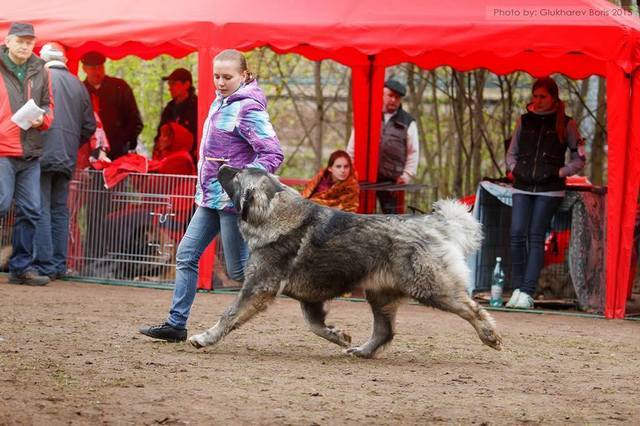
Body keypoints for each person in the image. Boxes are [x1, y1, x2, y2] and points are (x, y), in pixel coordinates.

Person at [139, 48, 284, 342]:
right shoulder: (220, 102)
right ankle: (176, 324)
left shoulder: (248, 108)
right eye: (216, 76)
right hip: (208, 198)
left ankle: (292, 281)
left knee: (238, 270)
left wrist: (240, 178)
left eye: (227, 77)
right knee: (186, 255)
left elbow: (272, 153)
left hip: (232, 202)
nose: (220, 81)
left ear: (244, 76)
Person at [505, 77, 586, 309]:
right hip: (522, 185)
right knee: (516, 234)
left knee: (536, 235)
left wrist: (562, 172)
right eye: (535, 96)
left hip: (549, 190)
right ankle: (518, 289)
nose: (538, 101)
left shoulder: (567, 123)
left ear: (553, 98)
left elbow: (579, 156)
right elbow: (512, 152)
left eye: (543, 96)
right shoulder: (524, 121)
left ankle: (528, 293)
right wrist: (514, 168)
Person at [32, 42, 97, 280]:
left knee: (40, 208)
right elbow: (89, 126)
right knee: (60, 210)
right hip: (66, 157)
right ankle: (59, 266)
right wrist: (70, 144)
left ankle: (44, 265)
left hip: (40, 152)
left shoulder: (39, 77)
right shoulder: (78, 85)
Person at [0, 22, 54, 286]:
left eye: (29, 42)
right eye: (19, 41)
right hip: (2, 149)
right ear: (7, 41)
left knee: (32, 209)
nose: (24, 46)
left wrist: (42, 120)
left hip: (30, 152)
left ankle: (20, 267)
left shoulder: (41, 71)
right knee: (1, 203)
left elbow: (48, 106)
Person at [347, 78, 419, 213]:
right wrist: (349, 167)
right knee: (362, 215)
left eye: (397, 97)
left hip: (392, 180)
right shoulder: (367, 115)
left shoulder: (408, 122)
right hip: (365, 177)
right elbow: (353, 143)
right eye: (390, 96)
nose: (393, 100)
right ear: (382, 95)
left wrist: (406, 175)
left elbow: (413, 152)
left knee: (392, 218)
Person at [81, 51, 143, 160]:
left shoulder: (120, 87)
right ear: (84, 69)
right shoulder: (80, 90)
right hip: (89, 152)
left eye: (100, 67)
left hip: (118, 151)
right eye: (93, 68)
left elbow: (135, 120)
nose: (97, 72)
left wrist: (123, 141)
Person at [155, 68, 198, 163]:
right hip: (168, 160)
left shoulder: (198, 107)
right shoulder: (169, 108)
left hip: (190, 162)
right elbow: (159, 134)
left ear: (186, 84)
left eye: (173, 84)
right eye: (169, 84)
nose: (169, 88)